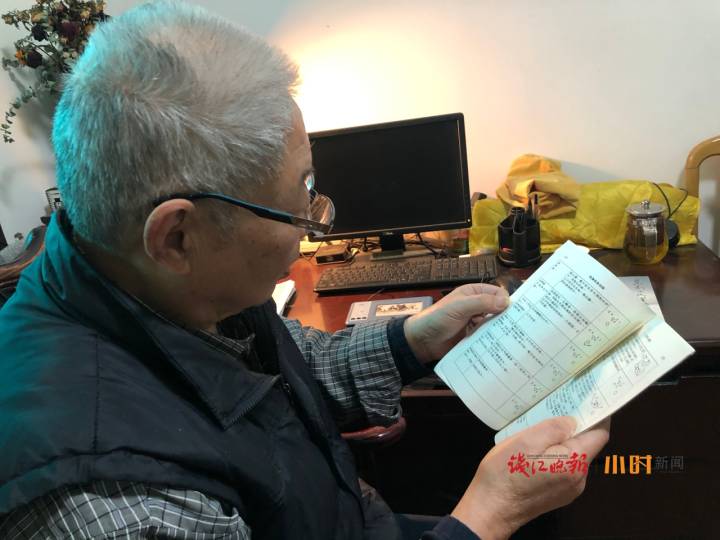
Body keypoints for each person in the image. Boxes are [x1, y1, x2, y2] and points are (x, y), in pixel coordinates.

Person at [0, 1, 610, 538]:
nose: (311, 227)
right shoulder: (117, 502)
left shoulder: (159, 286)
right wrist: (489, 515)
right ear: (177, 237)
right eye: (299, 201)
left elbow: (282, 371)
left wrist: (413, 341)